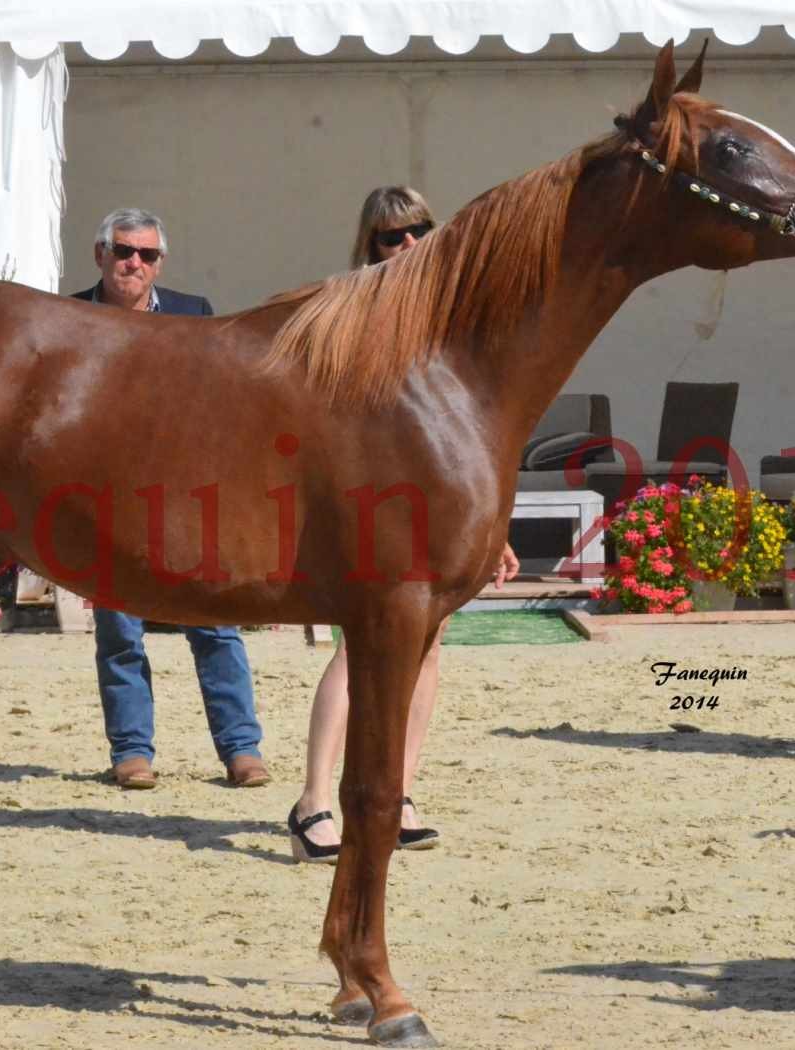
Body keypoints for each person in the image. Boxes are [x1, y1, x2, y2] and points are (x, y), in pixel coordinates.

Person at [287, 187, 520, 863]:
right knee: (356, 646)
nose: (410, 245)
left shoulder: (451, 316)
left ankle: (399, 793)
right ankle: (312, 801)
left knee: (430, 642)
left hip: (434, 497)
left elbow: (468, 427)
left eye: (419, 230)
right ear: (371, 246)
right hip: (370, 491)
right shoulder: (353, 306)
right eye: (393, 236)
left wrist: (490, 525)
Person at [73, 207, 270, 790]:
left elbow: (224, 400)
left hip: (188, 494)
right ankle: (132, 752)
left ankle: (241, 749)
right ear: (100, 254)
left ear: (160, 263)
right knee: (118, 629)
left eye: (147, 254)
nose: (134, 262)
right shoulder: (69, 317)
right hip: (106, 495)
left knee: (215, 623)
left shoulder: (194, 314)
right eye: (123, 250)